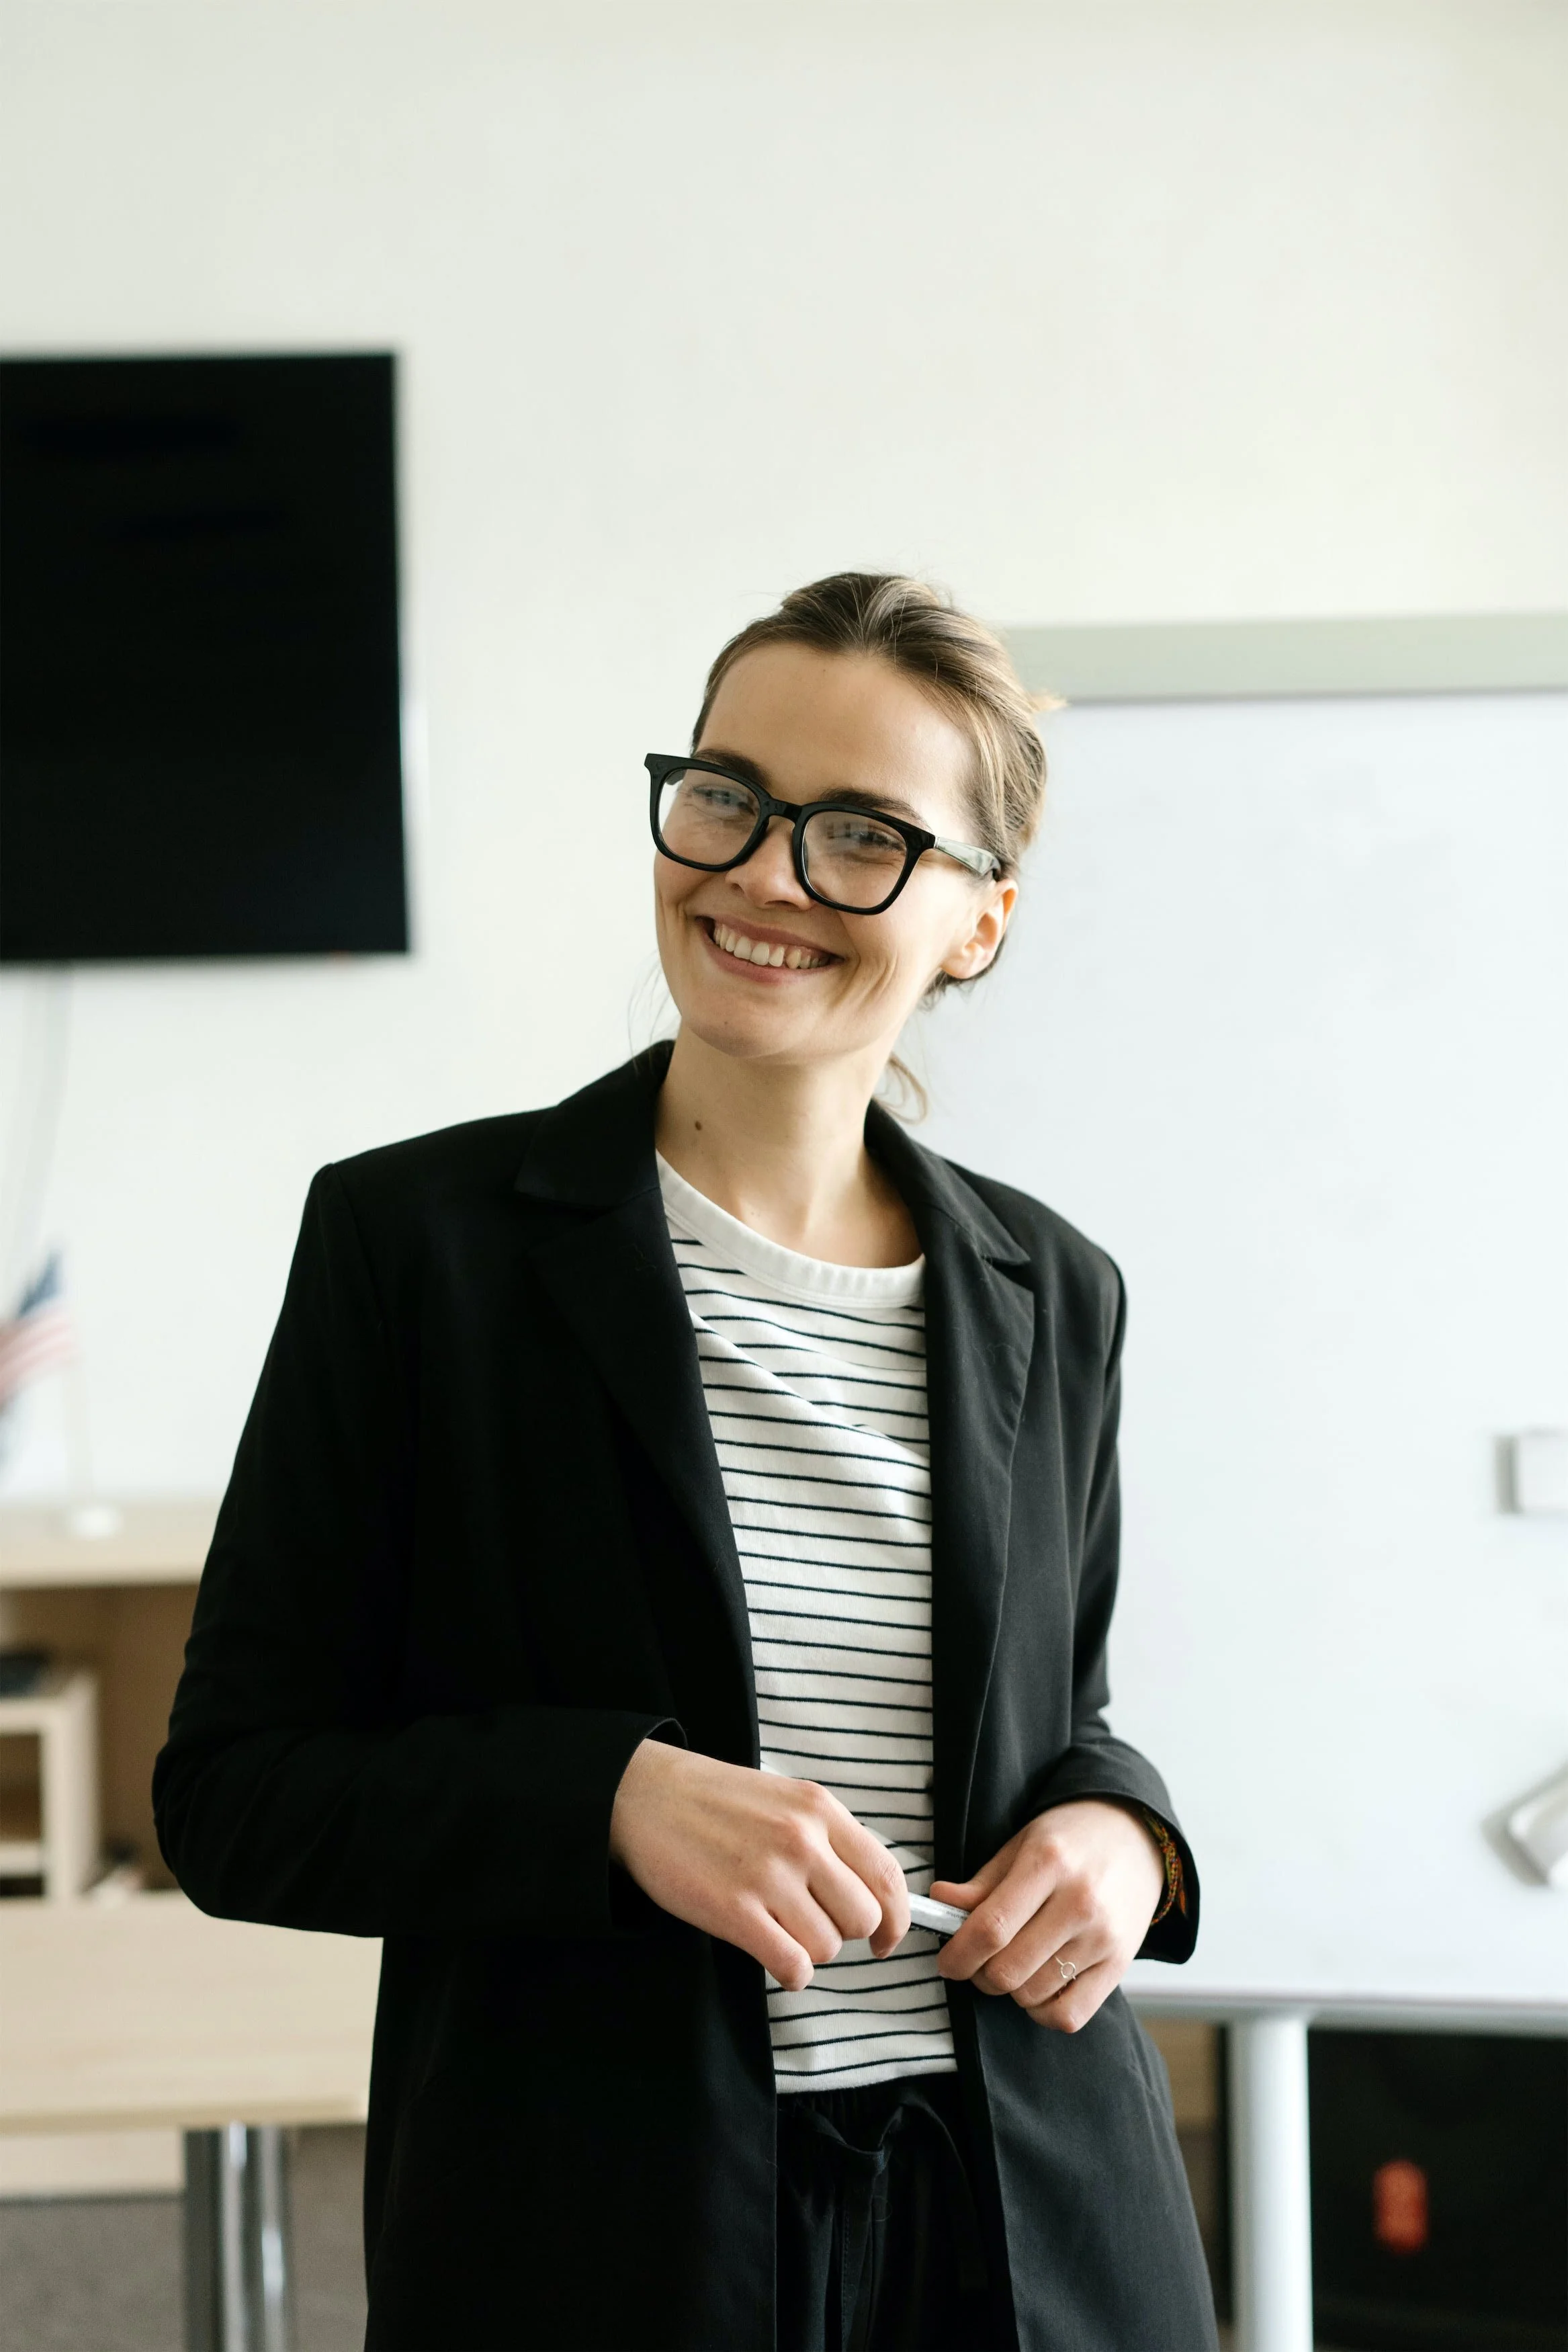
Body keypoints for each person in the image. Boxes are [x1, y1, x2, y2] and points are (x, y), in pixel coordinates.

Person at [155, 573, 1218, 2352]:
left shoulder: (1055, 1289)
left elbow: (1062, 1716)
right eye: (729, 794)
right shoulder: (417, 1245)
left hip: (1028, 2227)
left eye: (862, 835)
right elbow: (236, 1791)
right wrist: (609, 1798)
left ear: (978, 921)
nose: (766, 872)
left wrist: (1125, 1841)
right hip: (600, 2229)